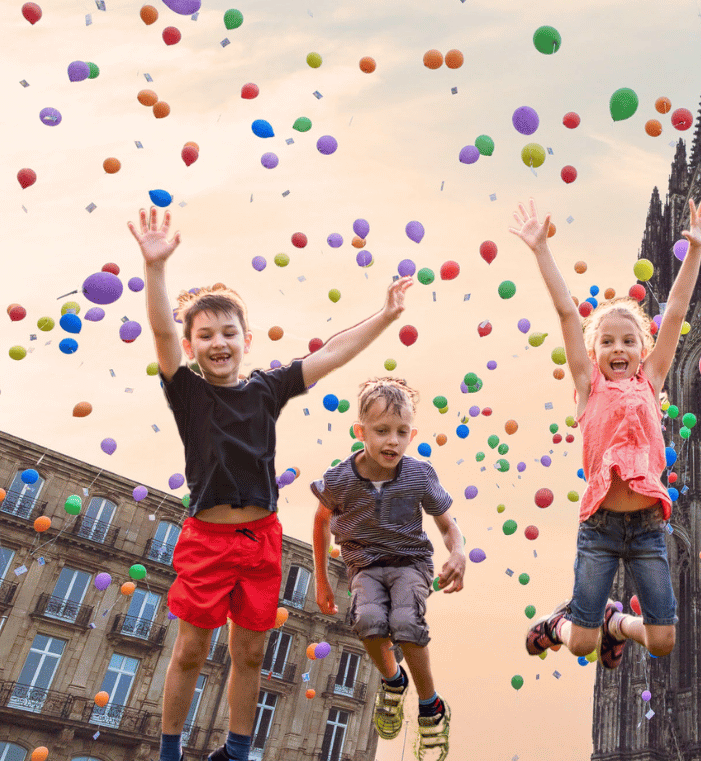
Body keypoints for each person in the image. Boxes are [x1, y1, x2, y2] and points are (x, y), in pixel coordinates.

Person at [129, 207, 414, 761]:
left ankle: (237, 751)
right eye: (205, 335)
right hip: (206, 539)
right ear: (191, 348)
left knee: (252, 653)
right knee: (189, 650)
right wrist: (155, 266)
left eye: (228, 333)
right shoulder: (187, 392)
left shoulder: (265, 389)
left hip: (261, 540)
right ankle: (170, 750)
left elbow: (330, 354)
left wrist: (383, 315)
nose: (218, 342)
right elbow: (163, 328)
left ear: (246, 339)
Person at [513, 196, 701, 667]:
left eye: (629, 340)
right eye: (606, 341)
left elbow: (679, 309)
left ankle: (615, 622)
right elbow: (568, 314)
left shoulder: (652, 380)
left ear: (643, 348)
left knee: (663, 640)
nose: (618, 348)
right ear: (594, 350)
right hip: (601, 530)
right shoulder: (588, 388)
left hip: (648, 529)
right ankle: (558, 624)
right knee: (580, 645)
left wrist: (696, 249)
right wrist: (541, 248)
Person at [312, 376, 466, 761]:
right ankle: (393, 681)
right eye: (382, 431)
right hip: (364, 563)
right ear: (360, 431)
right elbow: (320, 522)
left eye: (401, 432)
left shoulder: (418, 474)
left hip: (409, 562)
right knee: (367, 619)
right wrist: (321, 581)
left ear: (412, 434)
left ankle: (431, 708)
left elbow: (447, 524)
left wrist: (458, 552)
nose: (392, 442)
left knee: (406, 621)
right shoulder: (339, 479)